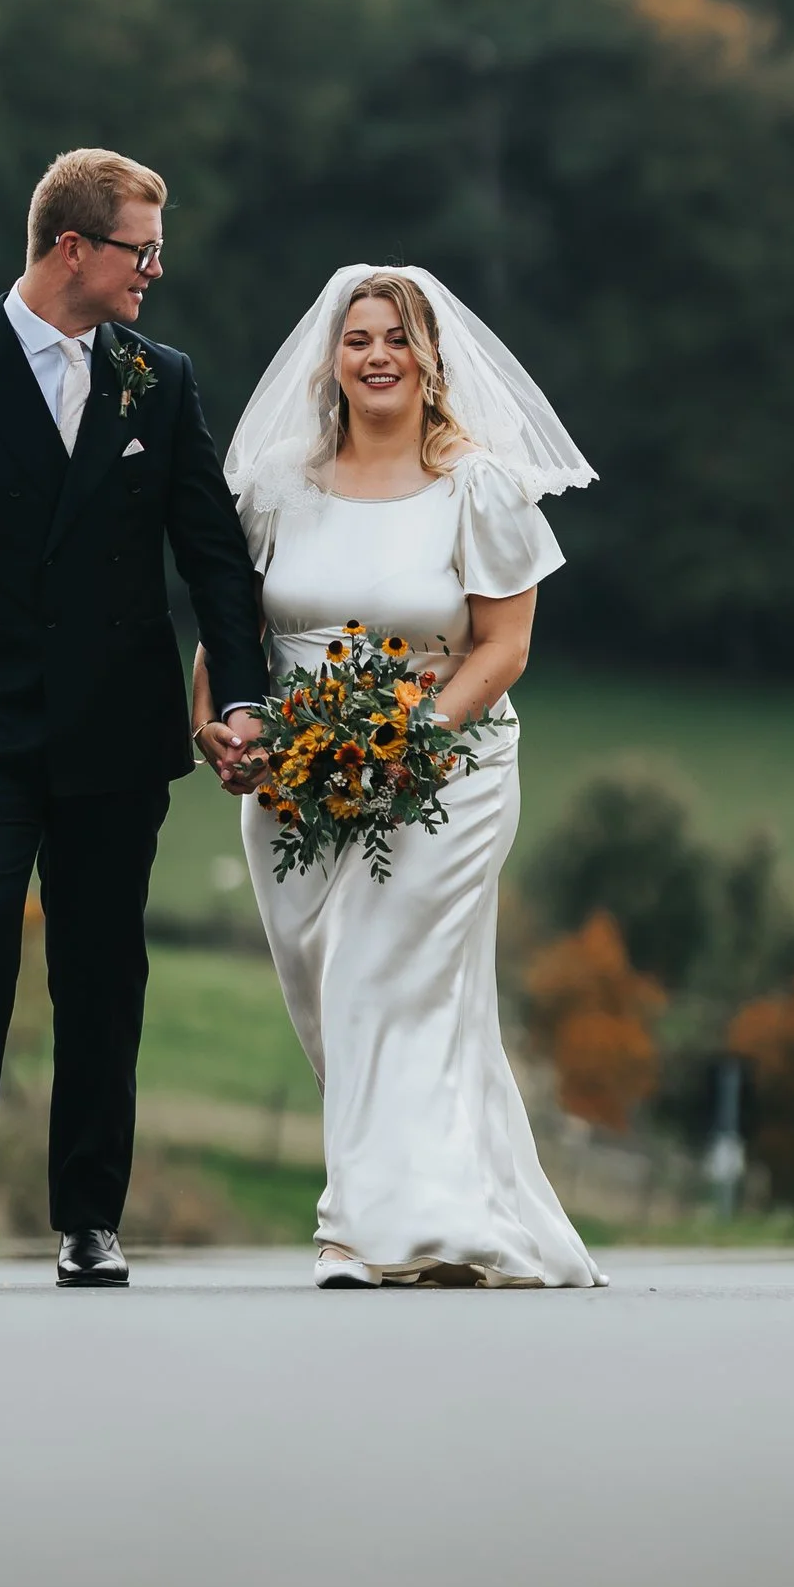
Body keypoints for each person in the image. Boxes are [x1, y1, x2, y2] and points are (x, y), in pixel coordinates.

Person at [0, 148, 263, 1290]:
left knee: (100, 967)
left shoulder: (158, 381)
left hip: (116, 734)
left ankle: (89, 1220)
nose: (154, 271)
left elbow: (212, 555)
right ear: (71, 247)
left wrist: (249, 696)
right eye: (140, 249)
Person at [206, 265, 604, 1288]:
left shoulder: (477, 485)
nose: (376, 355)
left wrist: (406, 742)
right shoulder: (277, 488)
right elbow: (230, 629)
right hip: (296, 777)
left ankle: (360, 1232)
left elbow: (503, 646)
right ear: (331, 362)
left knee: (376, 976)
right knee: (334, 995)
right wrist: (219, 727)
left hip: (446, 775)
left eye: (397, 338)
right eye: (358, 339)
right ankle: (447, 1209)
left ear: (431, 360)